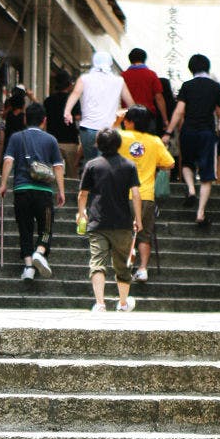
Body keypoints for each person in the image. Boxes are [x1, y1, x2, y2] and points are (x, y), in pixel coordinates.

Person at [77, 127, 142, 312]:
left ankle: (100, 303)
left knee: (97, 262)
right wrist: (138, 218)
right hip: (122, 223)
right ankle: (122, 303)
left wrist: (82, 213)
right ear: (119, 144)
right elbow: (136, 194)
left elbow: (83, 194)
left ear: (97, 144)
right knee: (122, 264)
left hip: (97, 221)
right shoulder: (129, 165)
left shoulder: (92, 165)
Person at [162, 53, 220, 227]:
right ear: (207, 67)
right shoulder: (215, 87)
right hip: (207, 133)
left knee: (187, 164)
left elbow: (179, 111)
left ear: (191, 69)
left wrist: (168, 132)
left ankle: (191, 190)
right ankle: (200, 214)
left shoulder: (187, 86)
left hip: (188, 131)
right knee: (207, 175)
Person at [0, 103, 65, 281]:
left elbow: (8, 161)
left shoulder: (16, 138)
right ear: (44, 120)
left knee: (25, 229)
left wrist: (3, 183)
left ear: (26, 119)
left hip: (21, 189)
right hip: (43, 191)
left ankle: (29, 266)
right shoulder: (50, 140)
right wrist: (61, 190)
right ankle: (40, 251)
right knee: (46, 227)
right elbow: (58, 167)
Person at [118, 105, 175, 282]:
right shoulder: (155, 141)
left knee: (123, 231)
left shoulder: (120, 136)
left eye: (126, 119)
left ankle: (123, 266)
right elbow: (170, 164)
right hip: (146, 195)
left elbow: (101, 142)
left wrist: (116, 121)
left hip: (122, 194)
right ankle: (142, 268)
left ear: (130, 122)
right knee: (144, 234)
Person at [64, 52, 134, 164]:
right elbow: (130, 104)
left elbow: (75, 94)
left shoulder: (85, 79)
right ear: (110, 63)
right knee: (107, 163)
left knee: (90, 162)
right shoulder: (119, 81)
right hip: (110, 129)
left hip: (88, 128)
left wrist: (67, 112)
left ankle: (92, 180)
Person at [43, 69, 81, 177]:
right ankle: (72, 194)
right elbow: (78, 117)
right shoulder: (73, 100)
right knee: (72, 174)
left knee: (53, 174)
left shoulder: (48, 101)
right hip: (70, 140)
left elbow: (45, 119)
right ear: (69, 84)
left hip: (52, 140)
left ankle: (55, 193)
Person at [121, 48, 169, 130]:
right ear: (144, 59)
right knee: (147, 141)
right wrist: (165, 119)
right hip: (147, 116)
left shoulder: (123, 76)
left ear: (130, 60)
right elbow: (159, 98)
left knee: (129, 141)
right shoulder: (151, 74)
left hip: (127, 116)